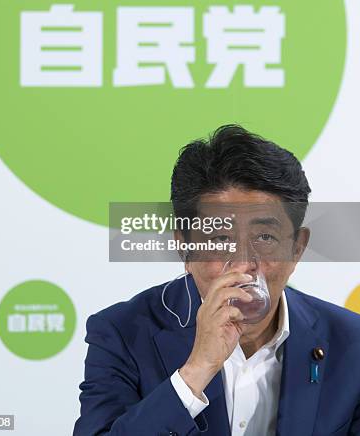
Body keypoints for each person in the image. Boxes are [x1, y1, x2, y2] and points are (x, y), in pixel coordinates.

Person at [73, 124, 360, 435]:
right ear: (184, 246)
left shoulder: (351, 342)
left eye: (265, 237)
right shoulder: (121, 333)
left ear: (297, 249)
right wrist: (195, 371)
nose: (243, 263)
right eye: (220, 239)